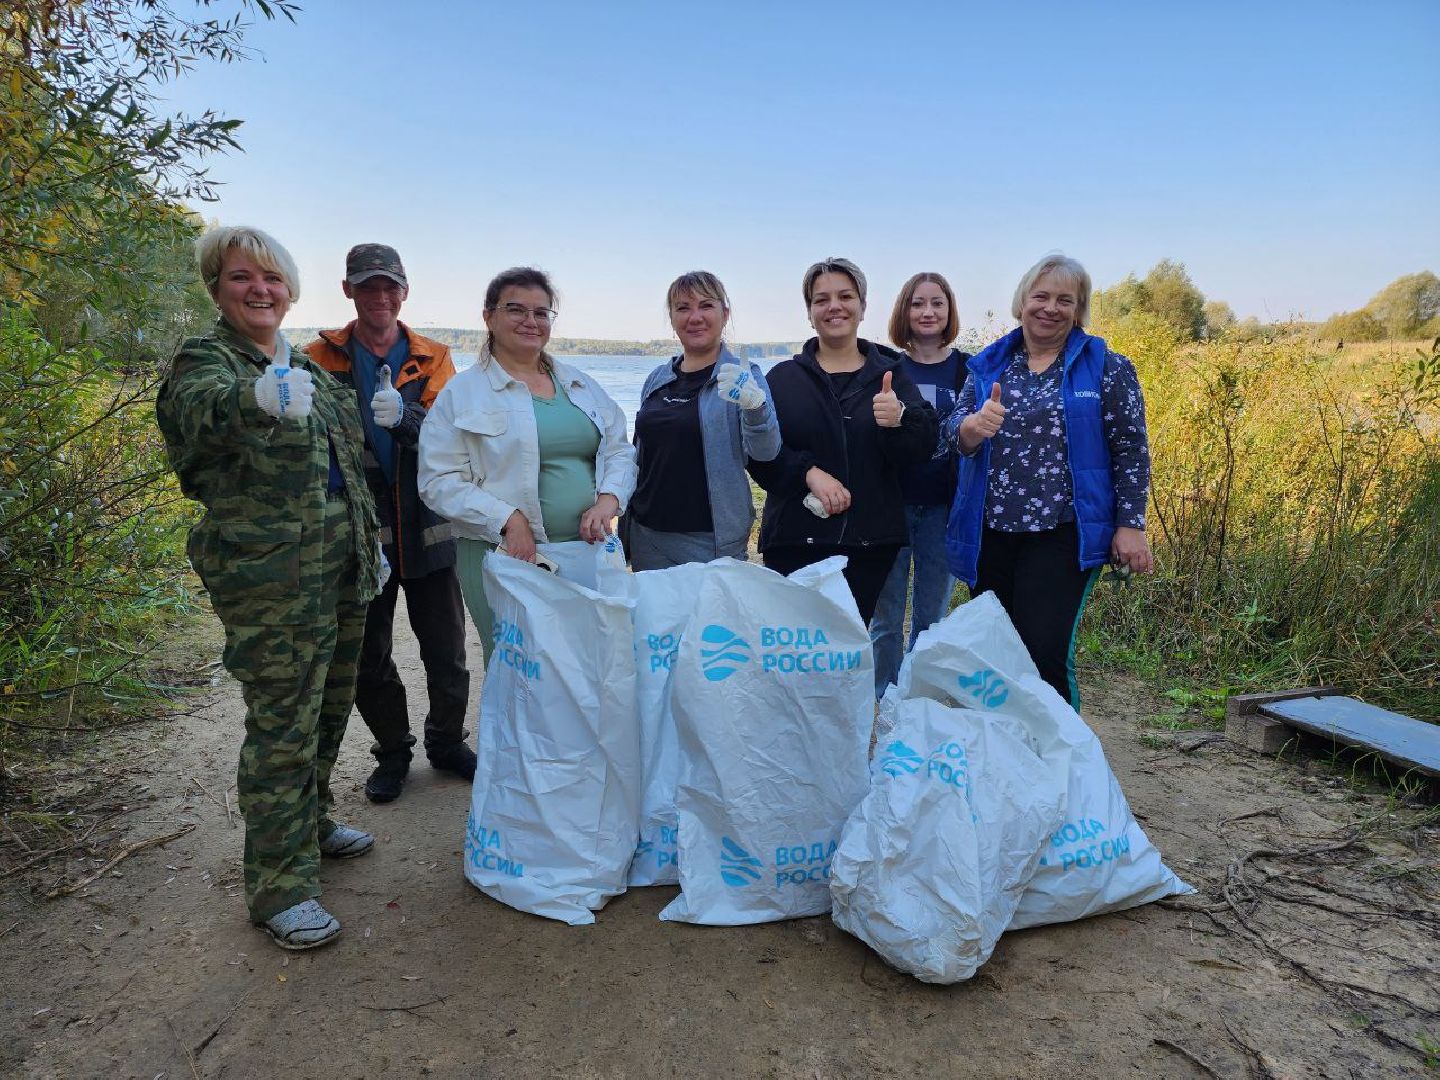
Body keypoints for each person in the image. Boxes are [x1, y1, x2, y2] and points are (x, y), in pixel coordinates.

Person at [156, 226, 382, 951]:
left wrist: (371, 547)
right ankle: (282, 887)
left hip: (339, 570)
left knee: (329, 707)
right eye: (241, 277)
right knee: (283, 722)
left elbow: (348, 469)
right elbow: (199, 413)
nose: (260, 290)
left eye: (272, 278)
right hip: (270, 581)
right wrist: (253, 399)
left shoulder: (308, 368)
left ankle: (311, 823)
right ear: (216, 288)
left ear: (290, 289)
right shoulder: (207, 361)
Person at [304, 245, 473, 805]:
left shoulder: (433, 357)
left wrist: (406, 418)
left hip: (428, 523)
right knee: (366, 653)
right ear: (348, 290)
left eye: (389, 286)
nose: (379, 296)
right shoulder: (317, 358)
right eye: (367, 286)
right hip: (356, 529)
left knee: (447, 648)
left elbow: (448, 437)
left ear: (404, 291)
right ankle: (394, 752)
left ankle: (447, 742)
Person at [945, 253, 1153, 709]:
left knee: (1043, 651)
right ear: (1022, 302)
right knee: (996, 649)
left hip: (1063, 530)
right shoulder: (989, 364)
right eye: (1041, 296)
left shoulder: (1106, 366)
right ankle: (1006, 744)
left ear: (1078, 310)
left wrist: (1130, 523)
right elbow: (954, 431)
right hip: (990, 529)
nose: (1051, 308)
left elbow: (1131, 449)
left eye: (1065, 300)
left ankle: (1059, 750)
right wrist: (972, 428)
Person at [417, 267, 636, 659]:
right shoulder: (462, 394)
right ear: (489, 317)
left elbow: (620, 449)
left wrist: (609, 499)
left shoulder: (581, 385)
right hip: (503, 553)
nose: (530, 321)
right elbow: (438, 481)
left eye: (541, 312)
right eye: (516, 309)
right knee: (518, 670)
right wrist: (507, 519)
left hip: (588, 554)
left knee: (589, 663)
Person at [748, 258, 936, 623]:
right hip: (792, 540)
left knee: (850, 645)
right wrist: (807, 473)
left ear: (862, 307)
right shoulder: (782, 379)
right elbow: (758, 454)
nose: (834, 306)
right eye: (822, 299)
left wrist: (900, 419)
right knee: (792, 645)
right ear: (810, 312)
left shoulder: (892, 374)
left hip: (869, 546)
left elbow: (921, 449)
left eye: (845, 296)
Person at [628, 271, 781, 569]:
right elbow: (639, 455)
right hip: (647, 534)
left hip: (710, 541)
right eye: (683, 308)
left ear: (725, 314)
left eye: (706, 305)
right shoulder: (657, 378)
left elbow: (766, 452)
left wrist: (755, 407)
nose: (695, 317)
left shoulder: (744, 377)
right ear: (672, 318)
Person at [869, 272, 971, 697]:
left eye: (937, 303)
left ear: (949, 310)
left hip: (943, 509)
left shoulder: (968, 369)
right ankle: (883, 696)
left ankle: (916, 700)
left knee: (931, 617)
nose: (928, 312)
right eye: (917, 303)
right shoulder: (886, 368)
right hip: (890, 506)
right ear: (904, 311)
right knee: (886, 616)